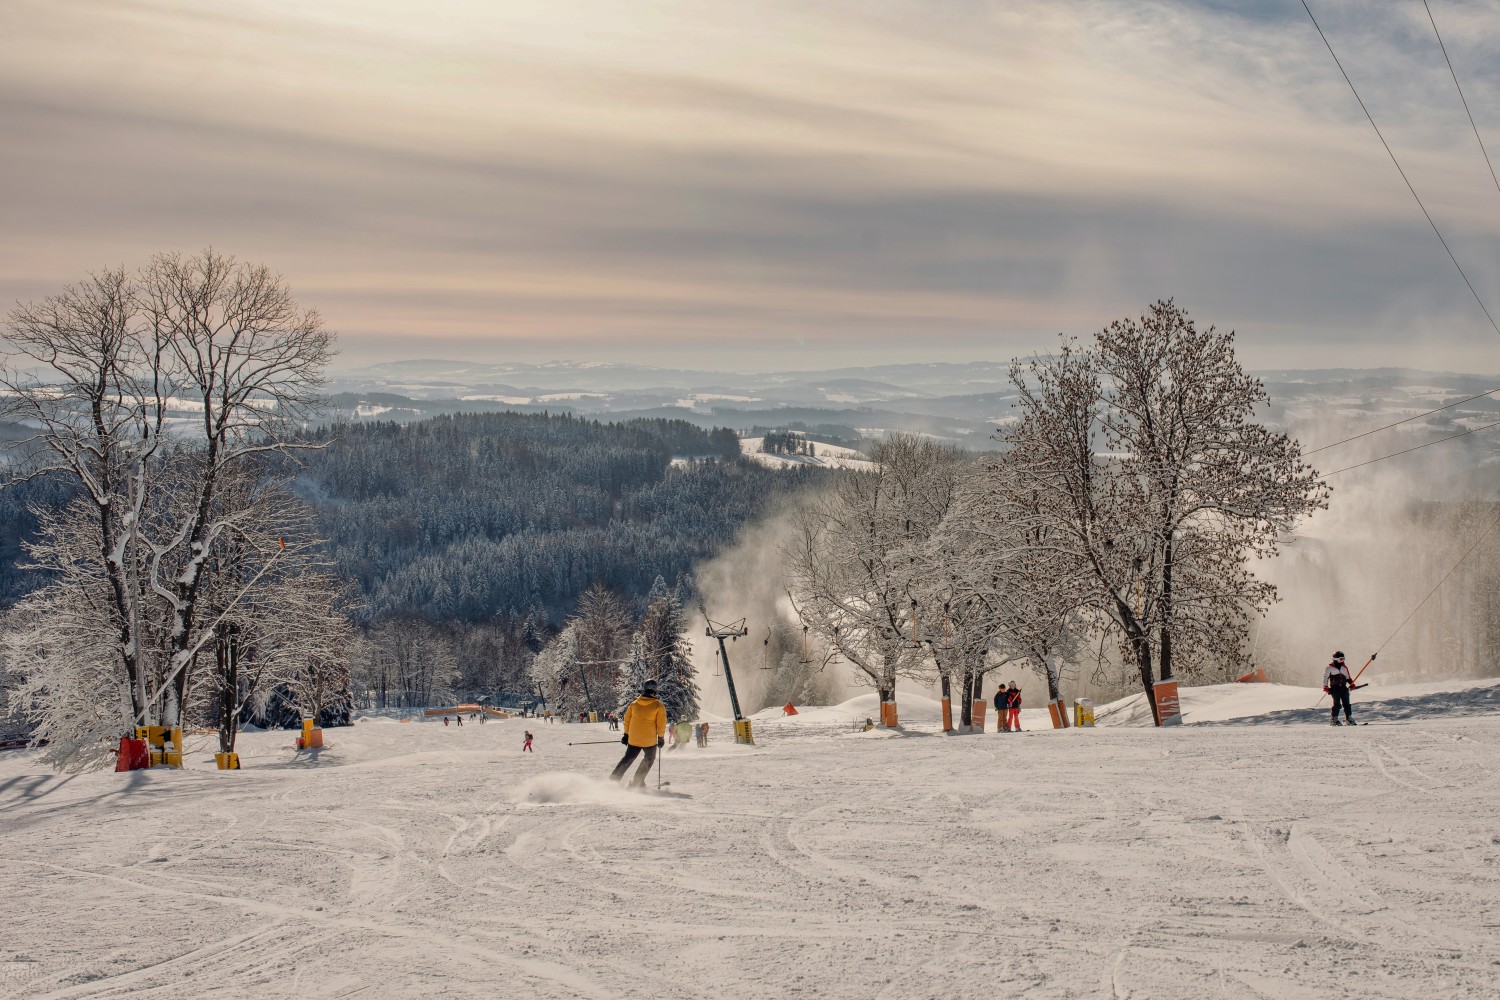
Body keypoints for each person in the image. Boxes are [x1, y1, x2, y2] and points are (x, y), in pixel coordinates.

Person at [610, 680, 667, 787]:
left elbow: (627, 720)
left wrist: (626, 735)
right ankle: (637, 781)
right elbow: (661, 724)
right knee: (649, 758)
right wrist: (661, 738)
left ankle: (614, 779)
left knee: (628, 758)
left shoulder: (634, 704)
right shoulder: (658, 706)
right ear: (655, 690)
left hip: (634, 739)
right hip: (649, 740)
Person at [1324, 650, 1363, 726]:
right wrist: (1325, 687)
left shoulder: (1344, 667)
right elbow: (1325, 678)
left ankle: (1348, 718)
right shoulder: (1329, 668)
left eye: (1343, 659)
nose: (1342, 660)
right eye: (1341, 659)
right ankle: (1334, 719)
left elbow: (1348, 677)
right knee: (1337, 704)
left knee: (1347, 704)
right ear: (1335, 659)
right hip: (1335, 688)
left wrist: (1352, 684)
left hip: (1344, 688)